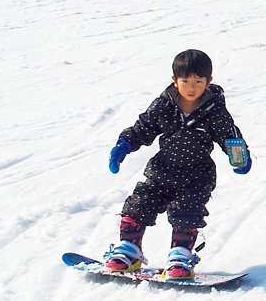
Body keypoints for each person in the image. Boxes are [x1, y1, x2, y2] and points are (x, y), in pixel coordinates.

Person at [104, 49, 252, 280]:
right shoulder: (165, 105)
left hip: (196, 178)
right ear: (174, 80)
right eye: (185, 81)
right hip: (162, 172)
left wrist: (240, 157)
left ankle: (180, 255)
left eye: (198, 81)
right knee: (138, 206)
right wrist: (124, 145)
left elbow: (228, 135)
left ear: (208, 81)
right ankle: (129, 251)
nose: (191, 87)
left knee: (186, 213)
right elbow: (144, 127)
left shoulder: (214, 110)